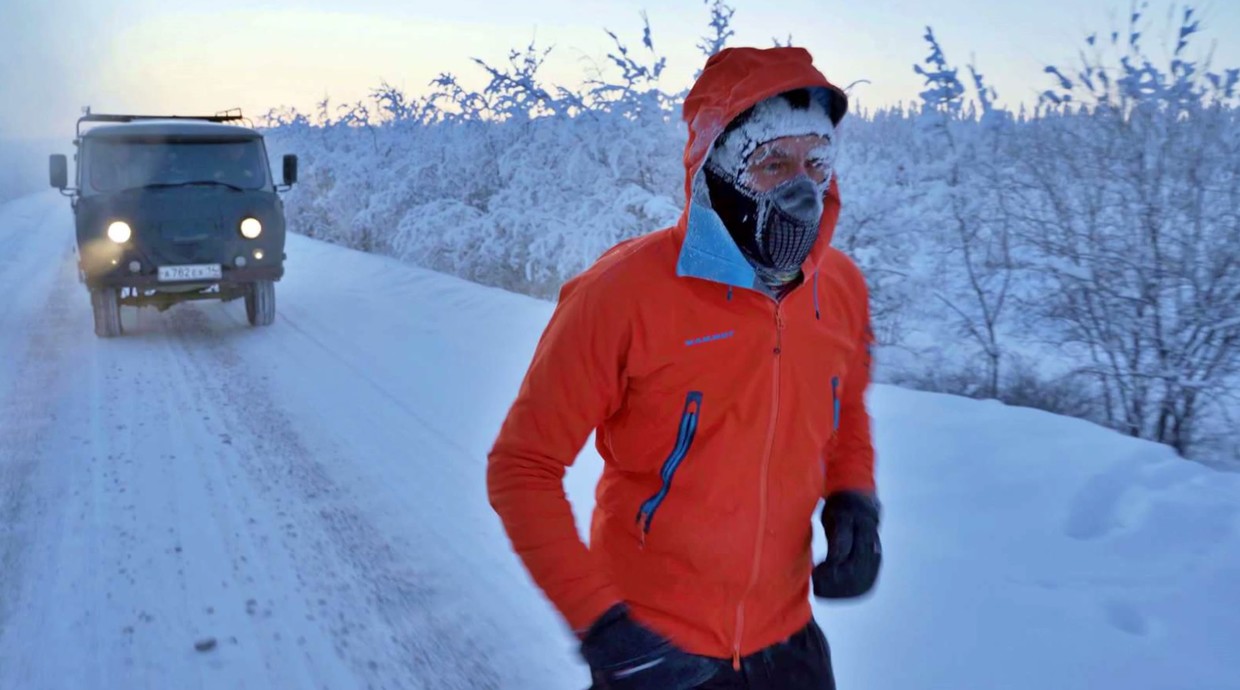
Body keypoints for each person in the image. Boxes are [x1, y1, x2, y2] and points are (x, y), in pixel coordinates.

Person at [488, 46, 881, 690]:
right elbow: (522, 468)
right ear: (716, 167)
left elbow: (846, 412)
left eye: (816, 163)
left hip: (788, 641)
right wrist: (604, 627)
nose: (800, 189)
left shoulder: (839, 289)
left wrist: (853, 500)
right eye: (772, 163)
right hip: (656, 649)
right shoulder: (621, 294)